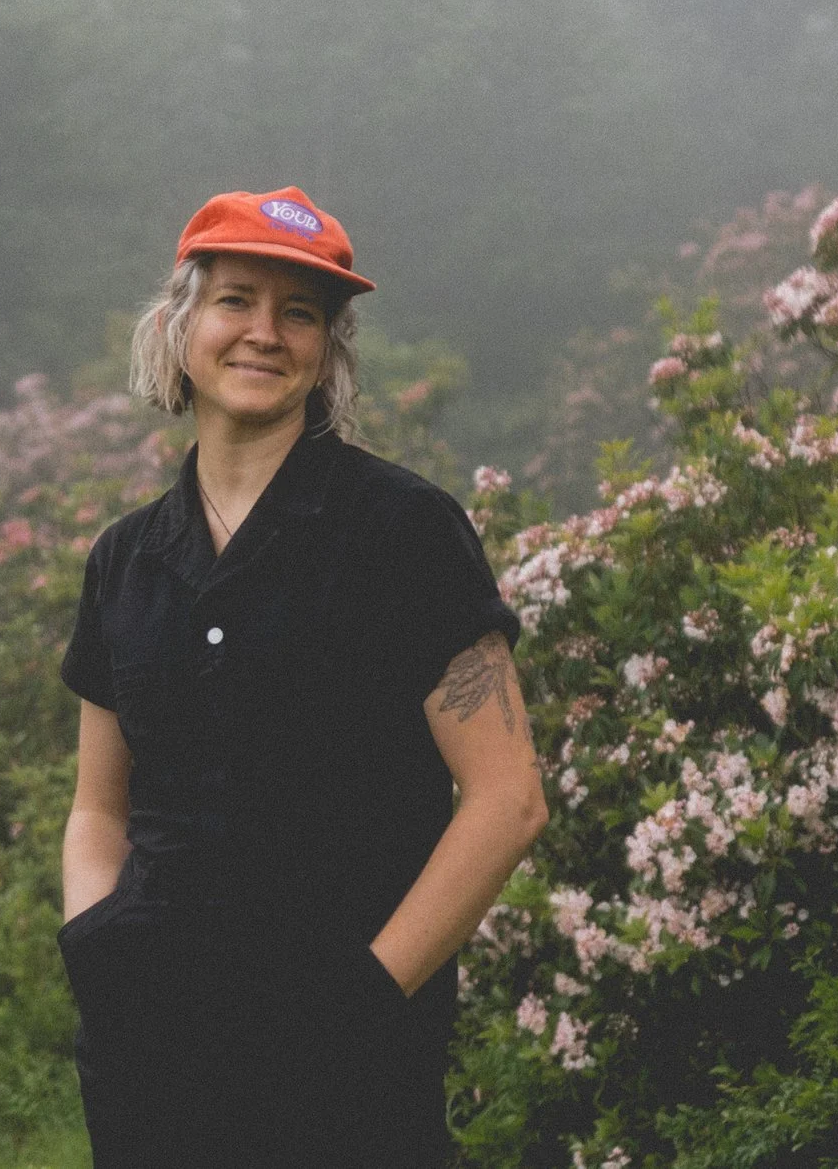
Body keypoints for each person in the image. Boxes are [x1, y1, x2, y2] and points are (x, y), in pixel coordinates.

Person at [56, 186, 547, 1167]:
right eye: (236, 298)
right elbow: (97, 806)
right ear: (180, 323)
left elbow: (507, 797)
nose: (264, 332)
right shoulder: (124, 560)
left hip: (346, 1065)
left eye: (301, 312)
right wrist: (98, 945)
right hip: (150, 1054)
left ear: (328, 349)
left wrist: (365, 996)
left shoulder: (404, 533)